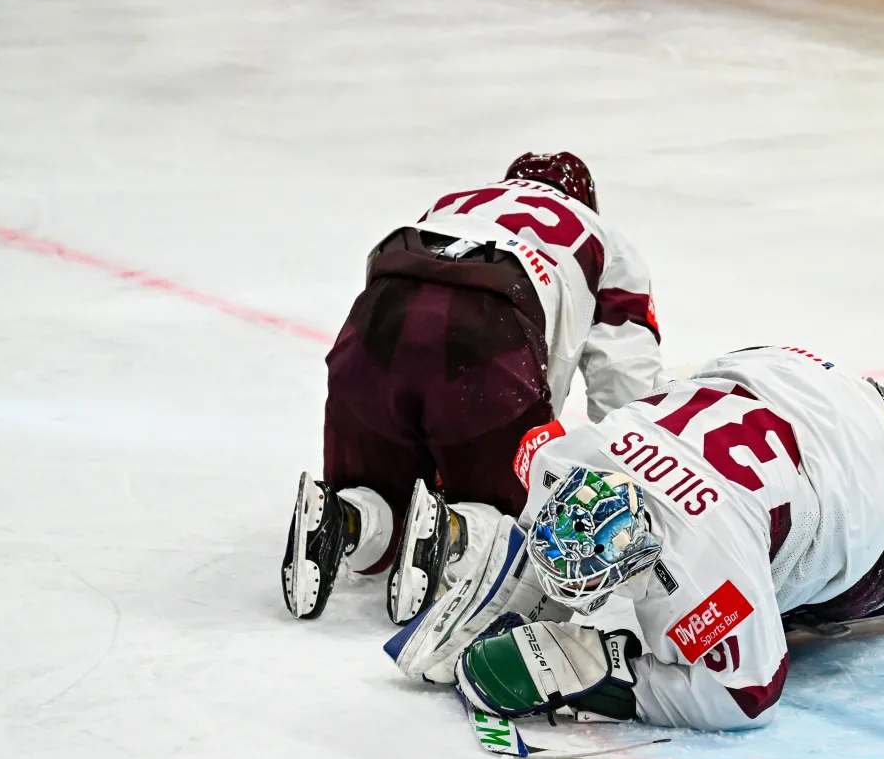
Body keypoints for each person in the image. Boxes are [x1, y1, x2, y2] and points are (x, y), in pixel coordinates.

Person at [383, 346, 884, 731]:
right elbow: (544, 472)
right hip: (794, 376)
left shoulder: (702, 558)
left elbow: (746, 692)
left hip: (856, 485)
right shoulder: (577, 458)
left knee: (819, 601)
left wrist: (612, 675)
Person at [282, 152, 661, 624]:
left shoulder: (457, 202)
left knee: (379, 491)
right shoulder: (606, 241)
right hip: (489, 338)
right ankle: (455, 529)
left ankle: (344, 517)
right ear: (585, 200)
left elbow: (398, 286)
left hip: (375, 327)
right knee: (505, 522)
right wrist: (637, 468)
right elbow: (624, 378)